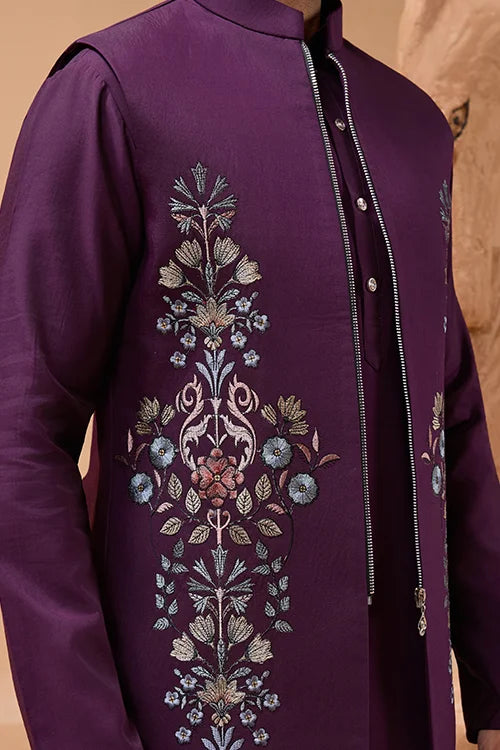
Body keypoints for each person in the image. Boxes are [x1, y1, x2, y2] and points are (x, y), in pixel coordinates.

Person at [1, 1, 499, 748]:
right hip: (194, 721)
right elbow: (19, 431)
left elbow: (451, 421)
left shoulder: (416, 128)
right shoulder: (113, 90)